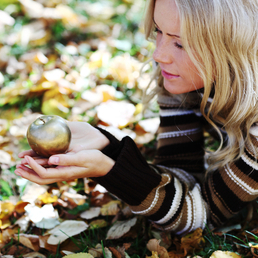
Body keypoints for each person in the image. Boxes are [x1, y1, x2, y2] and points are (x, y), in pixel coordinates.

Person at [15, 0, 258, 235]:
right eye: (159, 31)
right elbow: (182, 175)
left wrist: (110, 171)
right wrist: (108, 148)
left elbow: (199, 215)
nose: (159, 55)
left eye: (181, 44)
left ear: (231, 44)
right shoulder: (183, 76)